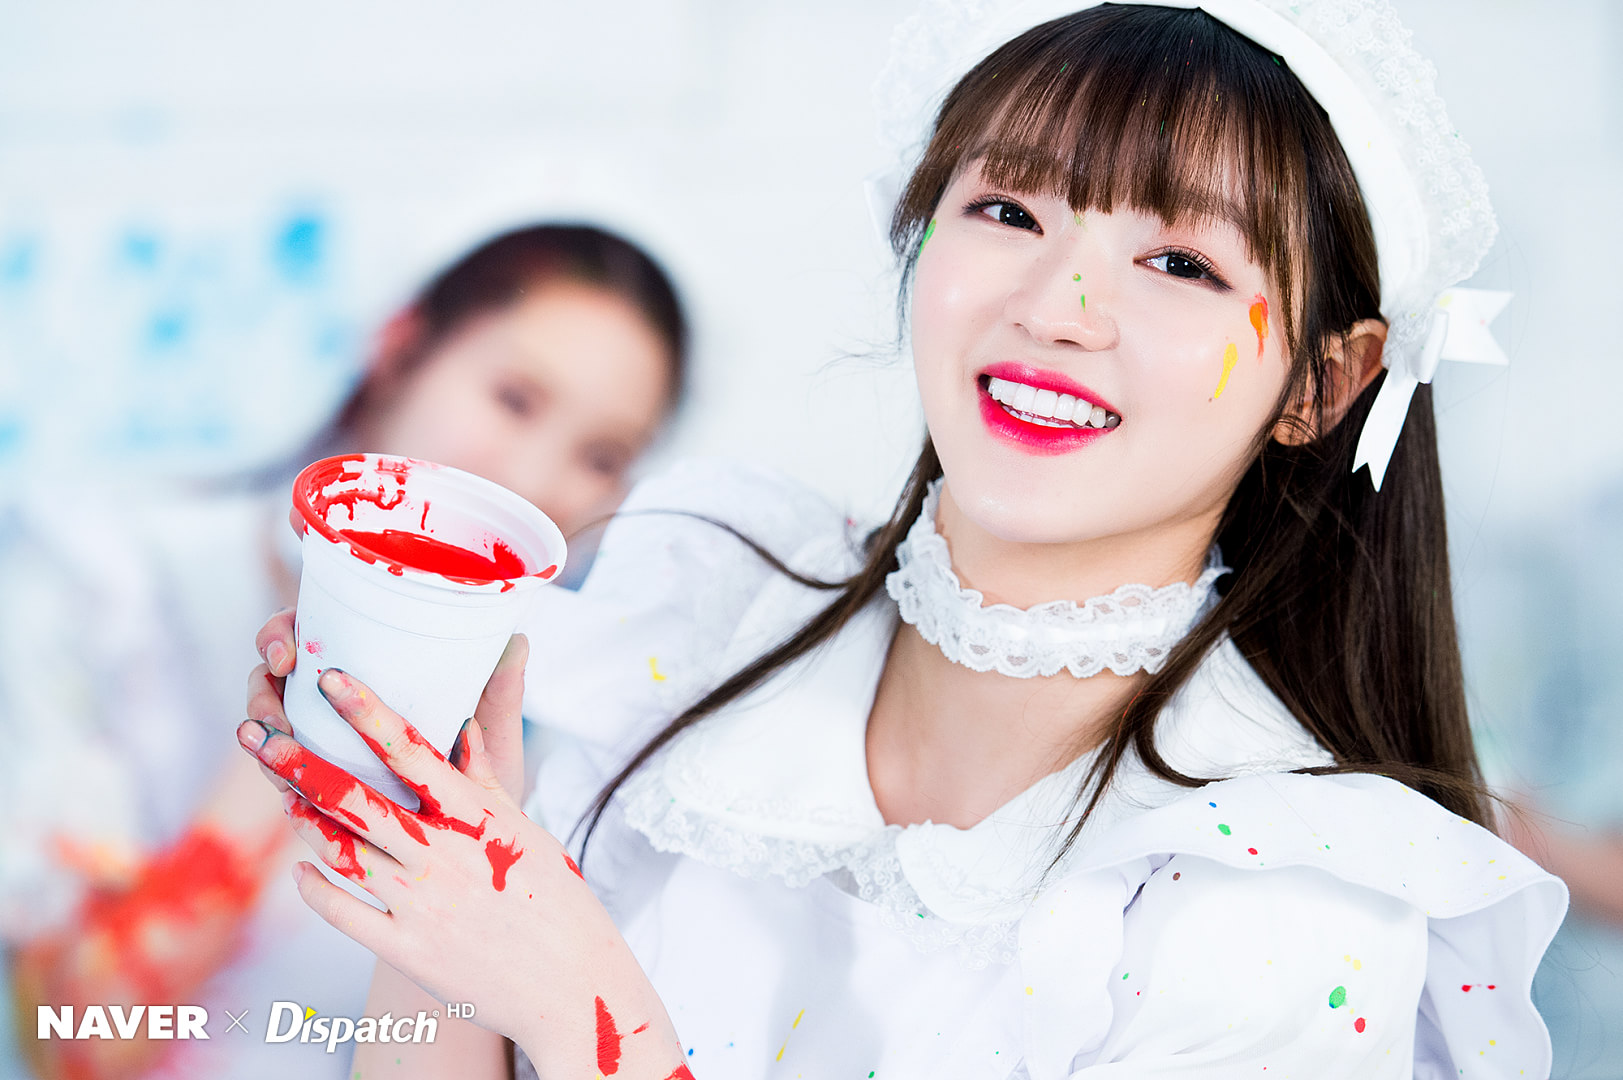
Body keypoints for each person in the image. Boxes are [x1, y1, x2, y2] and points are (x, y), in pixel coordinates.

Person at [236, 2, 1568, 1077]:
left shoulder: (1286, 905)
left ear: (1322, 386)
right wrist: (433, 858)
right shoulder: (705, 610)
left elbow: (569, 1006)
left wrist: (585, 1010)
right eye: (1009, 211)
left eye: (1182, 265)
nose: (1059, 306)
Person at [0, 222, 687, 1080]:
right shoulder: (98, 581)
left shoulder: (548, 737)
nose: (533, 480)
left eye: (602, 456)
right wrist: (309, 703)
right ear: (400, 352)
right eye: (514, 398)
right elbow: (75, 1042)